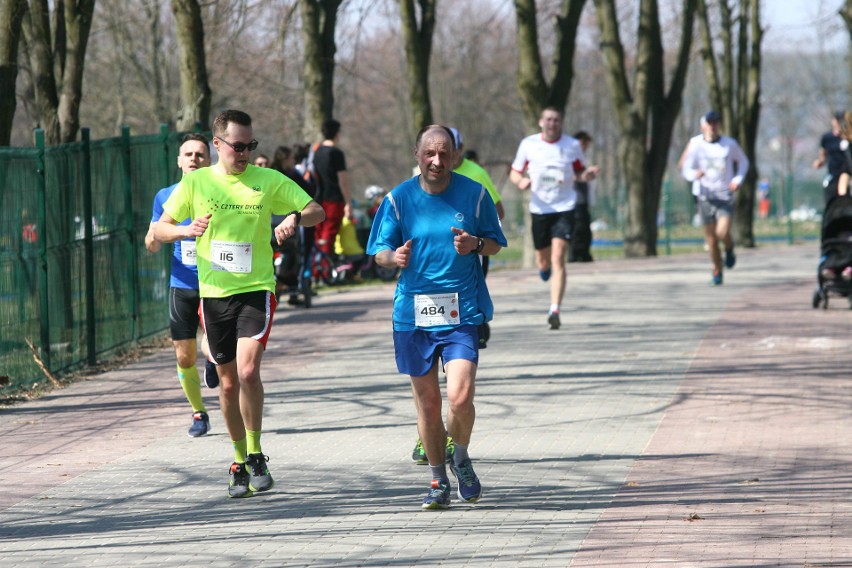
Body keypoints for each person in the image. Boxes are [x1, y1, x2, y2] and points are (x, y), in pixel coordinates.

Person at [154, 110, 325, 498]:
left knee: (248, 371)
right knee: (227, 384)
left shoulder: (267, 180)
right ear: (218, 145)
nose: (245, 152)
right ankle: (238, 459)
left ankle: (257, 449)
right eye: (238, 146)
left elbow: (318, 210)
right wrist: (185, 229)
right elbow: (158, 229)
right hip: (213, 295)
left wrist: (295, 218)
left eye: (251, 145)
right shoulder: (196, 183)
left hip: (257, 289)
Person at [367, 125, 507, 510]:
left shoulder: (474, 195)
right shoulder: (399, 199)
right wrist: (392, 258)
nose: (437, 161)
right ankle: (437, 479)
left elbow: (495, 243)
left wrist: (476, 244)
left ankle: (460, 457)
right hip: (413, 315)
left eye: (444, 154)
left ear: (454, 156)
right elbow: (377, 250)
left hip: (461, 311)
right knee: (429, 405)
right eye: (430, 153)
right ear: (417, 153)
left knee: (460, 398)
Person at [144, 133, 218, 438]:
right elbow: (151, 241)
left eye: (200, 154)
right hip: (182, 282)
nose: (193, 159)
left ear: (209, 159)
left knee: (210, 343)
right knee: (183, 355)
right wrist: (170, 233)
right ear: (178, 161)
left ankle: (213, 360)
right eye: (187, 154)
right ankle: (199, 412)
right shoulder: (165, 196)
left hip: (216, 280)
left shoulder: (221, 191)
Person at [509, 106, 598, 330]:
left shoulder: (572, 146)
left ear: (561, 123)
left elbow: (580, 172)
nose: (552, 123)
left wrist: (586, 176)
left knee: (559, 257)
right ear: (541, 122)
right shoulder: (529, 145)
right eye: (548, 119)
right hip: (539, 209)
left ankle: (554, 309)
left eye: (556, 120)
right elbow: (515, 172)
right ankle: (544, 267)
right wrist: (521, 182)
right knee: (544, 260)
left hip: (564, 207)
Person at [680, 110, 749, 286]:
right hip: (705, 196)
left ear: (719, 125)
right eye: (709, 123)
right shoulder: (696, 145)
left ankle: (729, 247)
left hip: (724, 195)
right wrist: (694, 174)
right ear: (704, 125)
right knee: (711, 240)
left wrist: (737, 179)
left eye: (716, 123)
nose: (712, 126)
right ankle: (717, 271)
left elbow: (743, 162)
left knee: (722, 232)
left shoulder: (729, 144)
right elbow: (685, 168)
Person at [312, 119, 351, 255]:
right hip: (334, 199)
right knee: (330, 232)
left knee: (319, 233)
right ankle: (325, 266)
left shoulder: (317, 152)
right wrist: (348, 203)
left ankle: (315, 267)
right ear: (336, 133)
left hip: (318, 198)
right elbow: (343, 180)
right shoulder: (336, 153)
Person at [569, 130, 597, 263]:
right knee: (578, 229)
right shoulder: (570, 157)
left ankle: (584, 254)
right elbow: (570, 175)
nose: (586, 147)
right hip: (574, 200)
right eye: (584, 143)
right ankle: (575, 255)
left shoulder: (581, 159)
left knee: (585, 229)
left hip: (583, 200)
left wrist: (589, 174)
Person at [812, 111, 847, 205]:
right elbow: (823, 155)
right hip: (833, 174)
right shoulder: (827, 138)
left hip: (847, 173)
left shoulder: (848, 138)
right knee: (830, 198)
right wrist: (820, 162)